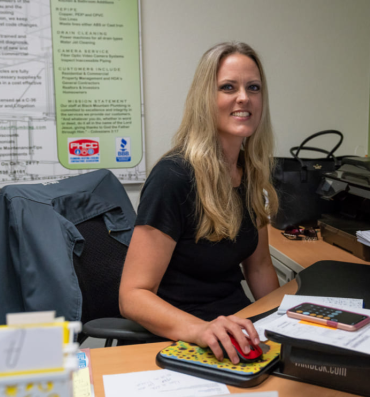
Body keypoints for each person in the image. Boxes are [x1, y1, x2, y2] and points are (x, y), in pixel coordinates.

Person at [119, 42, 280, 365]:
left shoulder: (250, 170)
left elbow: (259, 266)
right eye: (228, 87)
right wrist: (202, 330)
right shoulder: (173, 177)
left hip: (236, 329)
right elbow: (132, 296)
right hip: (183, 335)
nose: (244, 98)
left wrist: (292, 320)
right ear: (205, 98)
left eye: (253, 88)